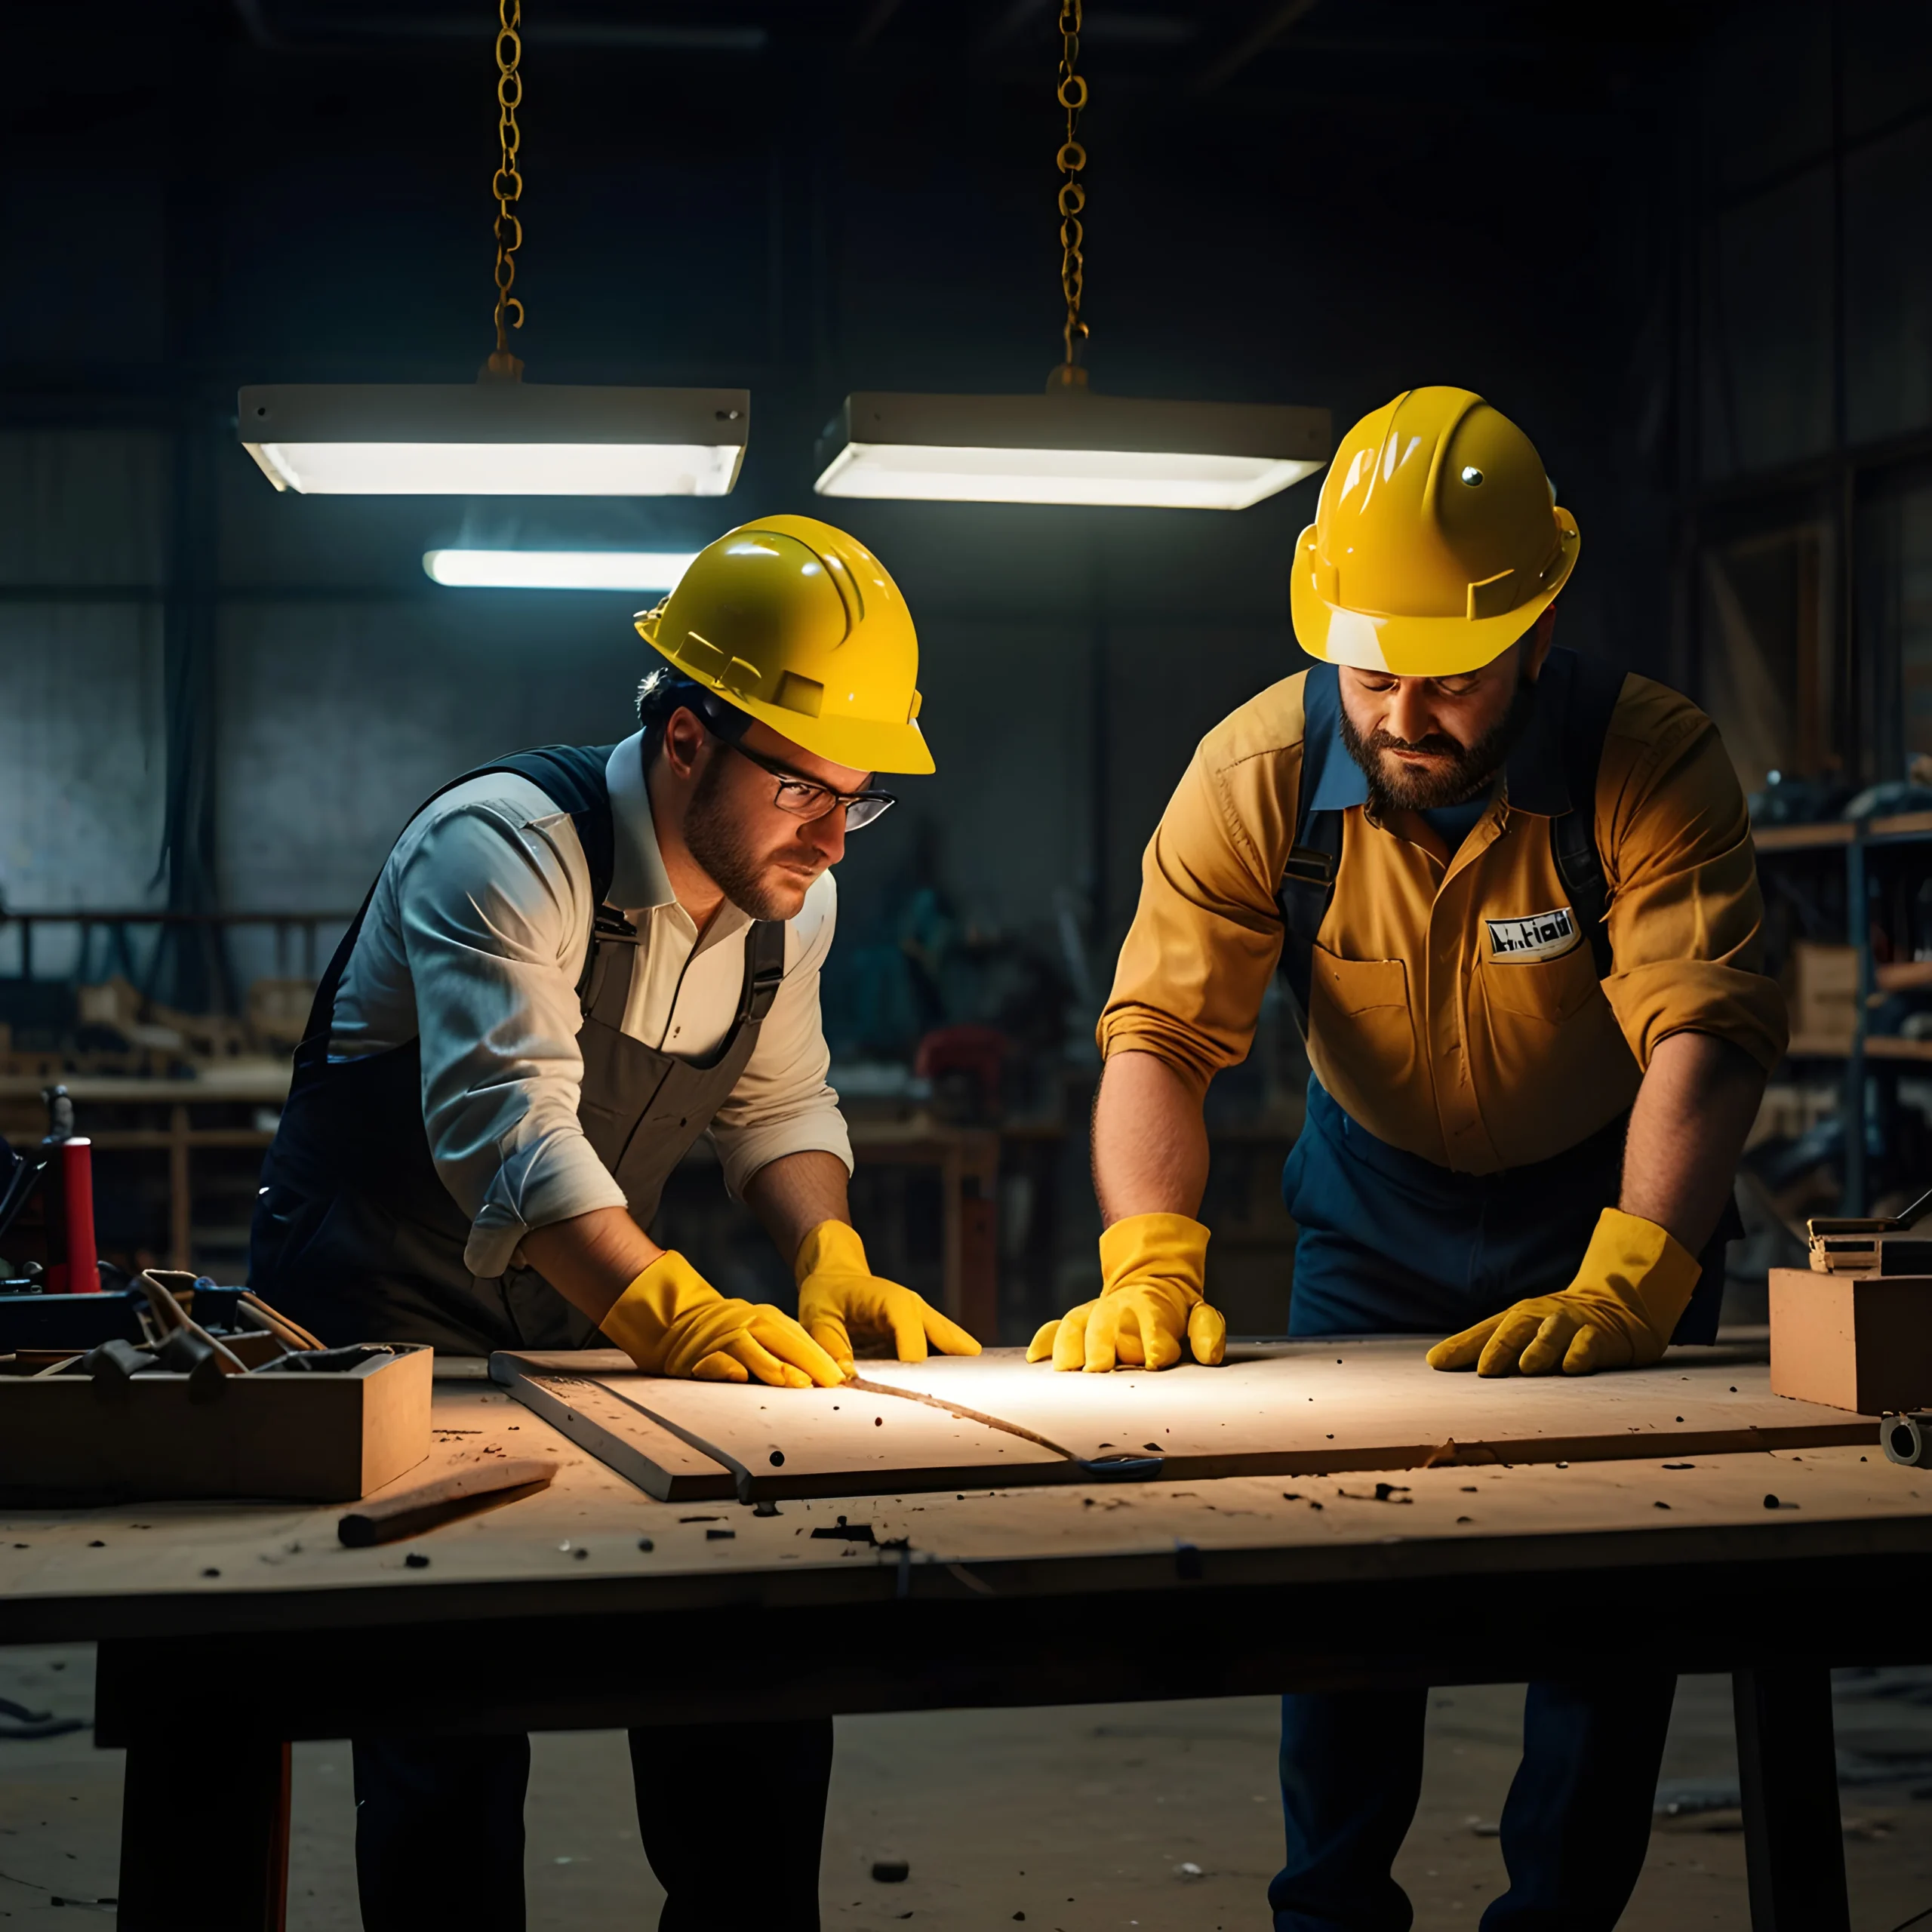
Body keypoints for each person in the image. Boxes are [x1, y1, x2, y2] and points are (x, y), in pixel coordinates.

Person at [1029, 389, 1787, 1930]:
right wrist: (1146, 1251)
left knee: (1602, 1623)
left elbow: (1699, 1035)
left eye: (1445, 682)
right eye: (1369, 672)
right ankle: (1328, 1911)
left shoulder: (1647, 761)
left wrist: (1641, 1271)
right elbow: (1157, 1039)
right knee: (1346, 1595)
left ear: (1533, 623)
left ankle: (1557, 1917)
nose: (1398, 716)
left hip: (1610, 1201)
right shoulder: (1251, 773)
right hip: (1368, 1222)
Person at [251, 512, 980, 1932]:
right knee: (450, 1728)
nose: (835, 837)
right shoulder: (504, 849)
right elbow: (509, 1139)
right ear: (688, 738)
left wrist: (827, 1251)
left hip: (583, 1300)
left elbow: (780, 1105)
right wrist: (679, 1313)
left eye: (860, 797)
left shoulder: (793, 901)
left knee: (749, 1659)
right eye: (804, 790)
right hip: (389, 1311)